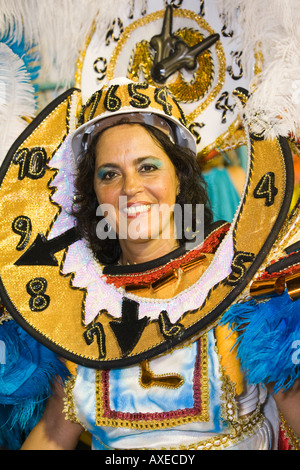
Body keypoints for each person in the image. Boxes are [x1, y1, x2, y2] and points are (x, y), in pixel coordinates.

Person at [2, 78, 299, 450]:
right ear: (93, 193)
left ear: (179, 176)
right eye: (109, 173)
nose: (130, 188)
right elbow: (54, 433)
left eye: (147, 167)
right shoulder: (75, 305)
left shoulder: (242, 280)